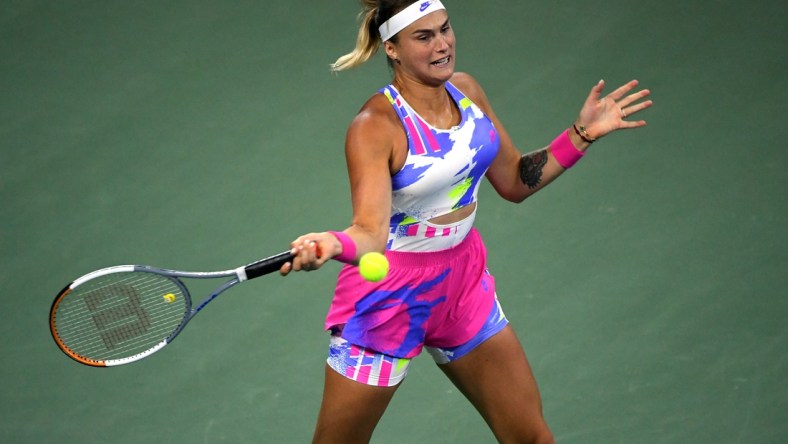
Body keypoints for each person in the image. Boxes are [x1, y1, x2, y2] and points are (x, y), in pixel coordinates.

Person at [279, 1, 652, 442]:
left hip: (462, 282)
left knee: (532, 437)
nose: (442, 45)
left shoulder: (467, 91)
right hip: (388, 300)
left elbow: (514, 180)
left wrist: (581, 134)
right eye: (424, 37)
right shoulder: (375, 126)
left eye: (445, 29)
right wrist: (332, 244)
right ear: (393, 49)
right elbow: (370, 233)